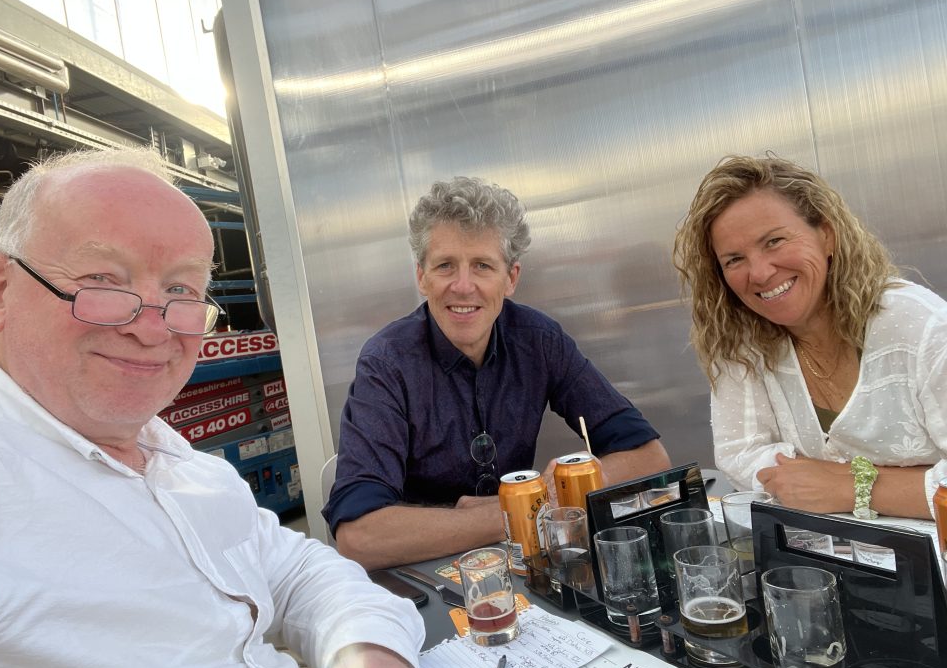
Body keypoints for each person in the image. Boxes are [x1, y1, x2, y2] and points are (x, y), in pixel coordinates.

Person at [0, 147, 426, 668]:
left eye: (181, 291)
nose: (152, 327)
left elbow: (296, 570)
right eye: (104, 280)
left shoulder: (183, 466)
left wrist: (368, 647)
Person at [324, 176, 670, 570]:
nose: (463, 286)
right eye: (445, 266)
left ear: (511, 278)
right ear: (421, 277)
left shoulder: (539, 340)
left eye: (483, 266)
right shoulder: (387, 362)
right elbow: (360, 536)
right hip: (424, 578)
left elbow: (649, 457)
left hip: (521, 568)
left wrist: (540, 494)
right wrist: (516, 508)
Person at [673, 155, 947, 520]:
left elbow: (817, 484)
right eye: (734, 259)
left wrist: (848, 486)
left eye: (774, 241)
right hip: (817, 565)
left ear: (827, 235)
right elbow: (739, 452)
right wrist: (911, 484)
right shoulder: (740, 341)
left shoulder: (919, 325)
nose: (759, 272)